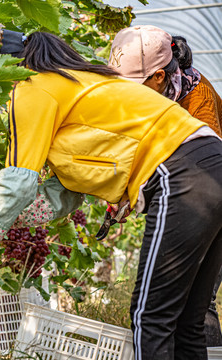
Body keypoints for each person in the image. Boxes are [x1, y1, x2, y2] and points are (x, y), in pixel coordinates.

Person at [0, 32, 222, 360]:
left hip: (180, 174)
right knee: (187, 320)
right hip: (210, 166)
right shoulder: (80, 82)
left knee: (151, 318)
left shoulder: (32, 88)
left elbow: (17, 186)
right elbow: (65, 194)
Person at [109, 25, 222, 348]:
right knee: (185, 315)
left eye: (133, 85)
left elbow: (202, 166)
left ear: (159, 76)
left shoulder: (197, 97)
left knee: (188, 309)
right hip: (197, 189)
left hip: (209, 195)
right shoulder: (155, 97)